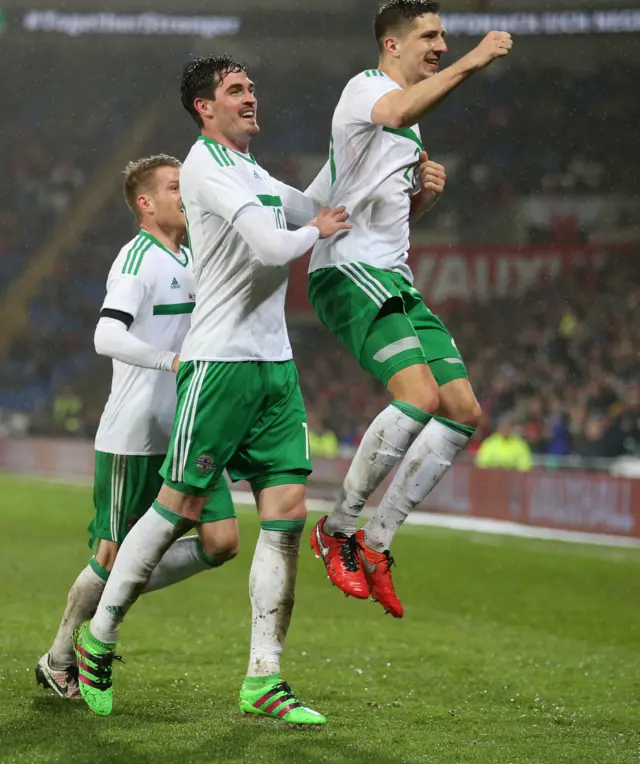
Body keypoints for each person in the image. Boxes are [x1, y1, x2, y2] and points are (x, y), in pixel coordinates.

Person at [72, 55, 350, 725]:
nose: (251, 97)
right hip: (219, 363)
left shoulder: (250, 170)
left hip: (273, 365)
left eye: (252, 86)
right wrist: (318, 230)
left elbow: (310, 201)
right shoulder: (204, 168)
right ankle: (97, 636)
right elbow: (273, 245)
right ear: (205, 107)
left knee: (286, 516)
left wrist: (358, 141)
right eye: (235, 90)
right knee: (174, 509)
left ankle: (264, 679)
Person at [306, 0, 512, 617]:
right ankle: (337, 527)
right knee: (418, 397)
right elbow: (395, 109)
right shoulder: (366, 91)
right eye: (430, 35)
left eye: (446, 38)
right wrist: (476, 61)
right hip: (348, 272)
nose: (442, 45)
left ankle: (377, 540)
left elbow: (381, 214)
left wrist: (421, 200)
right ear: (391, 45)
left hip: (392, 275)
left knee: (461, 411)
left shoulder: (410, 129)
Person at [36, 155, 239, 700]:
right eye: (176, 187)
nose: (186, 194)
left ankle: (113, 600)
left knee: (221, 542)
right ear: (146, 203)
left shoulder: (195, 255)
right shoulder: (137, 258)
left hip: (192, 428)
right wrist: (168, 362)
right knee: (109, 555)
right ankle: (59, 656)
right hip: (135, 434)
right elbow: (107, 336)